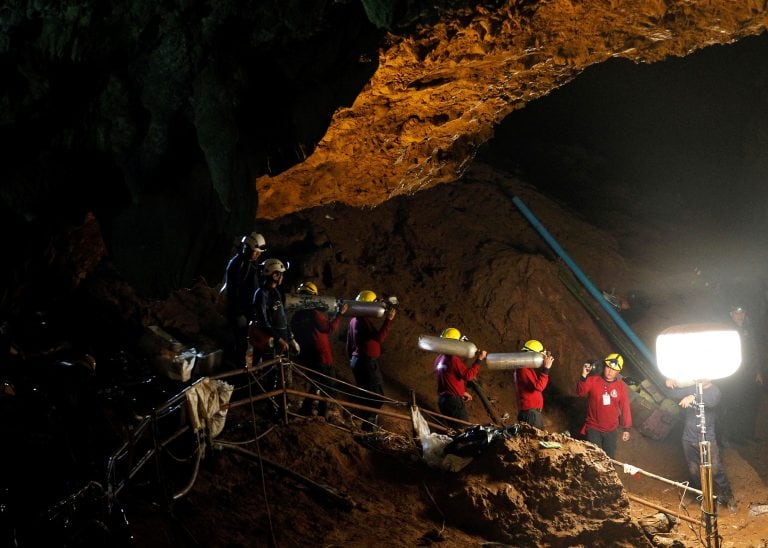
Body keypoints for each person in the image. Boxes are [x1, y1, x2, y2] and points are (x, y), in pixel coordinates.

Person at [665, 378, 737, 513]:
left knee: (716, 470)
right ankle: (703, 497)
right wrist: (670, 384)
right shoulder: (693, 388)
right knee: (694, 471)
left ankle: (728, 497)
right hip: (688, 438)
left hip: (707, 438)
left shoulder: (714, 391)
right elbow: (672, 395)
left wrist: (693, 397)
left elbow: (711, 401)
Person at [290, 281, 348, 418]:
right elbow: (329, 328)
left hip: (308, 356)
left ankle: (307, 409)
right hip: (322, 356)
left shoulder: (296, 316)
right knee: (327, 387)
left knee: (316, 383)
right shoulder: (314, 314)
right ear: (314, 296)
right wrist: (340, 314)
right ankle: (321, 413)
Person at [345, 289, 396, 432]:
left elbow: (348, 344)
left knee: (367, 395)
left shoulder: (354, 320)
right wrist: (388, 321)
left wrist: (352, 360)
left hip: (358, 361)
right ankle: (368, 428)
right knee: (376, 397)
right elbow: (378, 339)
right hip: (366, 362)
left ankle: (366, 425)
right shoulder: (362, 321)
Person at [719, 305, 764, 446]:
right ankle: (733, 436)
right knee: (734, 405)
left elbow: (754, 350)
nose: (740, 315)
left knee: (750, 404)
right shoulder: (727, 329)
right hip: (734, 375)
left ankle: (748, 434)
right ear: (731, 314)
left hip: (749, 374)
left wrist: (758, 372)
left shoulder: (748, 328)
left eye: (742, 312)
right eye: (737, 313)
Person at [220, 232, 266, 368]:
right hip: (238, 311)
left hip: (246, 311)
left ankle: (241, 367)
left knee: (244, 342)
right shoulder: (240, 264)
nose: (258, 254)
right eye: (255, 251)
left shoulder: (249, 263)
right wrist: (238, 313)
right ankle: (236, 371)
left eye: (259, 252)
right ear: (247, 248)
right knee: (239, 342)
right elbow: (234, 292)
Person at [576, 353, 632, 459]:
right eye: (608, 367)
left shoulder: (621, 386)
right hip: (593, 428)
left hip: (611, 430)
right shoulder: (593, 380)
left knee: (609, 460)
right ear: (604, 366)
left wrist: (626, 428)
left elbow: (625, 408)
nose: (610, 371)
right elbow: (580, 392)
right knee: (594, 458)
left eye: (614, 369)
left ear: (619, 371)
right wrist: (583, 376)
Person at [249, 258, 299, 365]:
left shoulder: (276, 292)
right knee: (268, 370)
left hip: (280, 337)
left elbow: (282, 316)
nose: (282, 277)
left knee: (280, 370)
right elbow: (263, 321)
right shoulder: (261, 294)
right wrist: (279, 340)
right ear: (274, 275)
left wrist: (291, 338)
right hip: (270, 340)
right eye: (280, 274)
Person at [434, 327, 488, 426]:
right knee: (464, 431)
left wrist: (461, 392)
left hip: (443, 401)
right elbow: (468, 376)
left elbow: (448, 379)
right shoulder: (453, 359)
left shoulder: (439, 358)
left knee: (454, 430)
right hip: (453, 402)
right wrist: (479, 359)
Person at [514, 339, 555, 429]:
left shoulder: (526, 368)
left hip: (532, 413)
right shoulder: (523, 368)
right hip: (530, 414)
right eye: (540, 356)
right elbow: (539, 386)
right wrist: (546, 369)